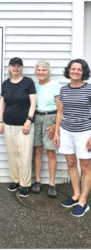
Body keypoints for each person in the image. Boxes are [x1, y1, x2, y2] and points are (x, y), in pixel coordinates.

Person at [54, 58, 91, 217]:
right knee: (70, 162)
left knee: (85, 167)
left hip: (84, 132)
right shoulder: (64, 90)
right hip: (66, 131)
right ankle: (76, 195)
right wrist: (56, 131)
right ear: (69, 71)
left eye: (79, 69)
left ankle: (83, 200)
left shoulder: (89, 89)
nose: (75, 71)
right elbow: (61, 111)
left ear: (83, 72)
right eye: (73, 69)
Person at [0, 57, 36, 198]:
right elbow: (2, 104)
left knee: (25, 155)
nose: (16, 68)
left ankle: (25, 184)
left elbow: (33, 103)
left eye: (19, 66)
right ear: (9, 68)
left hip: (24, 125)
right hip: (8, 124)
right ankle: (15, 180)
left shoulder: (28, 82)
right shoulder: (5, 84)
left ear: (21, 68)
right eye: (13, 65)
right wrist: (0, 121)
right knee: (12, 154)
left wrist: (29, 121)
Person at [31, 60, 61, 198]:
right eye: (39, 69)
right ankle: (37, 181)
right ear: (36, 71)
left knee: (50, 152)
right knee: (37, 150)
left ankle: (52, 184)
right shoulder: (34, 86)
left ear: (48, 71)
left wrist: (56, 124)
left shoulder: (55, 85)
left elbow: (61, 107)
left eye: (44, 70)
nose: (41, 72)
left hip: (50, 118)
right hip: (37, 117)